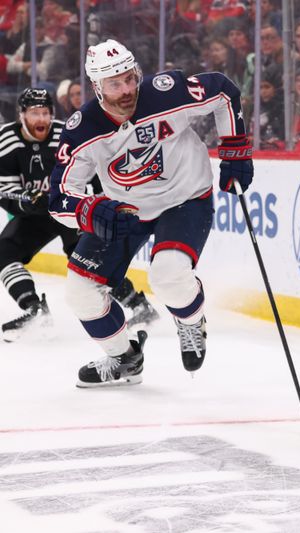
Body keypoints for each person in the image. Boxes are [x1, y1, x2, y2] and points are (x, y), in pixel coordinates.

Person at [48, 39, 253, 387]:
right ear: (97, 87)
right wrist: (90, 210)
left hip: (185, 198)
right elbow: (59, 197)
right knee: (79, 292)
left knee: (169, 276)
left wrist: (235, 149)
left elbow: (222, 91)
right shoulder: (81, 129)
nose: (127, 90)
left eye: (130, 78)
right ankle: (124, 358)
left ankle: (190, 323)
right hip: (126, 211)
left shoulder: (166, 92)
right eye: (115, 84)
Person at [0, 88, 157, 342]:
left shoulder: (66, 133)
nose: (41, 119)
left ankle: (139, 306)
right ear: (21, 116)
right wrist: (25, 205)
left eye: (45, 113)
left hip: (70, 208)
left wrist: (95, 202)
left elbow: (93, 169)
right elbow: (6, 192)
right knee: (4, 252)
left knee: (87, 261)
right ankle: (34, 309)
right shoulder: (6, 140)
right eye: (34, 113)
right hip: (36, 214)